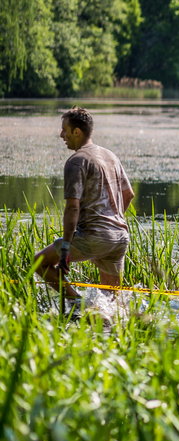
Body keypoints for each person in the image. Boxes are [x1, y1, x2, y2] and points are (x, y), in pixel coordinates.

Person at [34, 107, 135, 308]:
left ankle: (77, 302)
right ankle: (108, 330)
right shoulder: (110, 156)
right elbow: (129, 194)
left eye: (65, 130)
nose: (62, 135)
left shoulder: (76, 161)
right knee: (110, 304)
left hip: (94, 237)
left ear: (77, 132)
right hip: (120, 237)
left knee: (39, 262)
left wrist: (65, 249)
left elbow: (72, 208)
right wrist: (112, 223)